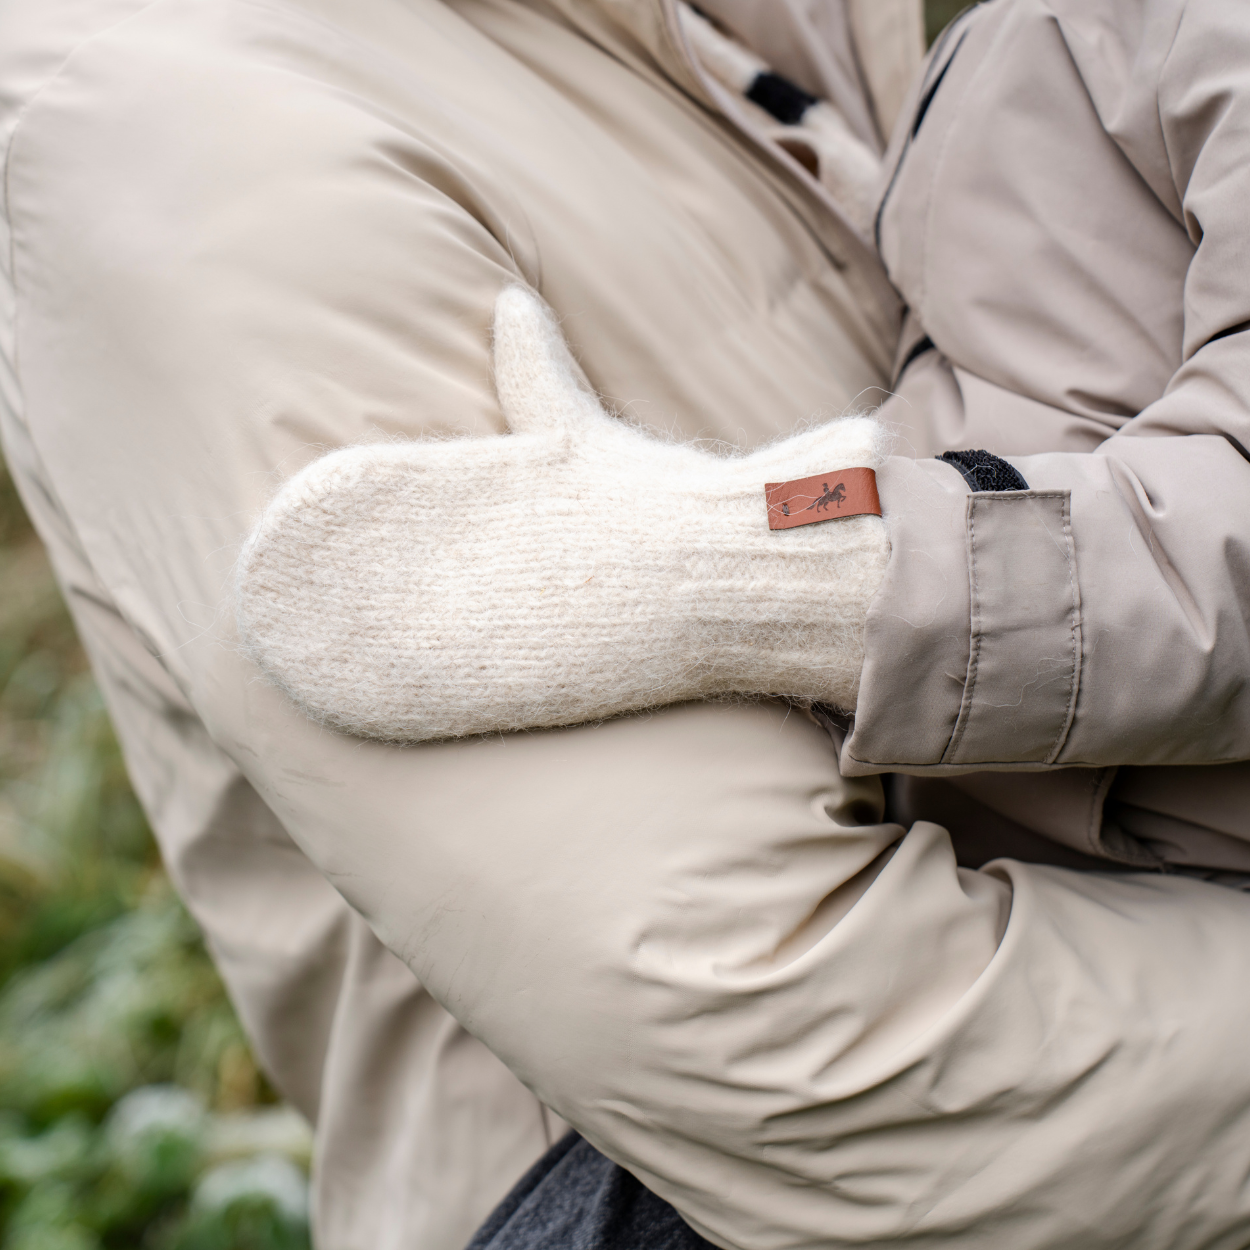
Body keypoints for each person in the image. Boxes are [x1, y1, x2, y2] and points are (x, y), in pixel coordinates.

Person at [2, 3, 1250, 1250]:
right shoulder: (183, 141)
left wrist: (769, 561)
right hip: (669, 1189)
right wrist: (783, 565)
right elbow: (819, 1060)